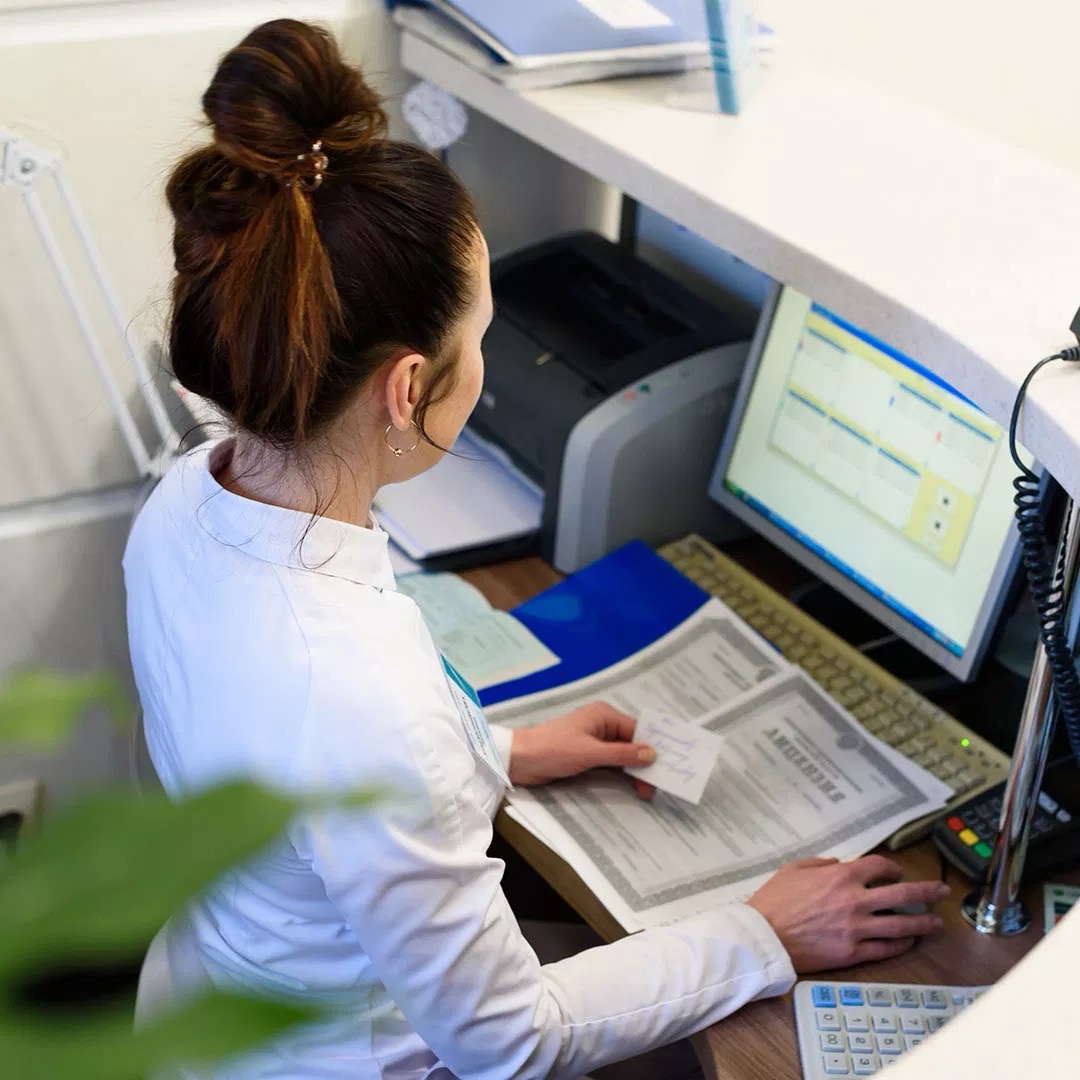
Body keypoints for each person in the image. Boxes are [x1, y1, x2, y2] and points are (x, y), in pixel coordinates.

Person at [124, 19, 950, 1080]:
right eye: (481, 337)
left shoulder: (187, 502)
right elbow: (511, 1044)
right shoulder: (361, 696)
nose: (489, 367)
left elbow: (289, 767)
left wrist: (498, 754)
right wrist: (763, 934)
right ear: (409, 388)